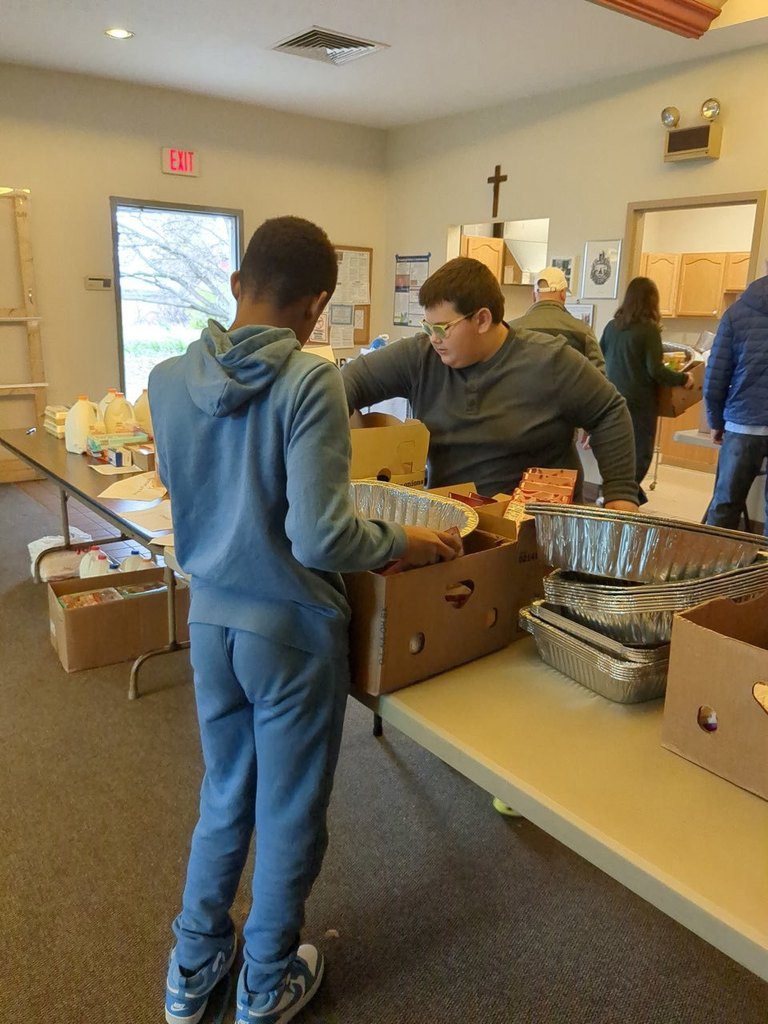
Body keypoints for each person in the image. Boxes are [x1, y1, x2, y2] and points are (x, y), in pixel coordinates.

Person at [149, 216, 461, 1024]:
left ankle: (192, 966)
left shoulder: (164, 379)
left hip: (211, 621)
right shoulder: (308, 380)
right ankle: (265, 981)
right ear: (317, 305)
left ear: (234, 284)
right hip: (290, 631)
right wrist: (406, 541)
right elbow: (320, 534)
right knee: (289, 812)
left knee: (225, 795)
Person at [341, 256, 639, 510]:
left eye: (443, 328)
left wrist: (620, 494)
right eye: (428, 327)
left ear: (482, 320)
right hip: (453, 521)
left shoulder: (551, 361)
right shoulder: (420, 357)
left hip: (534, 532)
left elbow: (609, 412)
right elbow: (346, 382)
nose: (434, 338)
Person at [600, 276, 693, 505]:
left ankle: (612, 495)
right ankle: (626, 498)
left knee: (617, 451)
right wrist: (683, 378)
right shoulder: (649, 330)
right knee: (640, 455)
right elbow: (655, 370)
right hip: (640, 402)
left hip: (612, 398)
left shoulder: (612, 327)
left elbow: (600, 357)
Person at [704, 272, 768, 534]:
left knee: (726, 504)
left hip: (742, 423)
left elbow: (717, 375)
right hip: (744, 419)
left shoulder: (737, 313)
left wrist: (715, 421)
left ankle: (717, 567)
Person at [509, 265, 605, 371]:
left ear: (533, 296)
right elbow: (599, 379)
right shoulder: (582, 331)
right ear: (563, 294)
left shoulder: (511, 329)